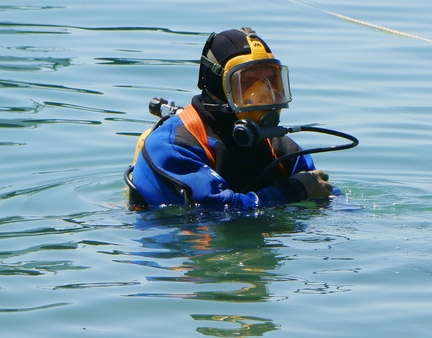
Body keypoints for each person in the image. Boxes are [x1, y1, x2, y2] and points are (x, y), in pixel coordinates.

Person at [127, 27, 333, 209]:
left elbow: (324, 192)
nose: (263, 93)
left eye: (270, 80)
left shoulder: (279, 148)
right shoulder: (173, 144)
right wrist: (294, 191)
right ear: (219, 86)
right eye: (247, 82)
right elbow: (212, 209)